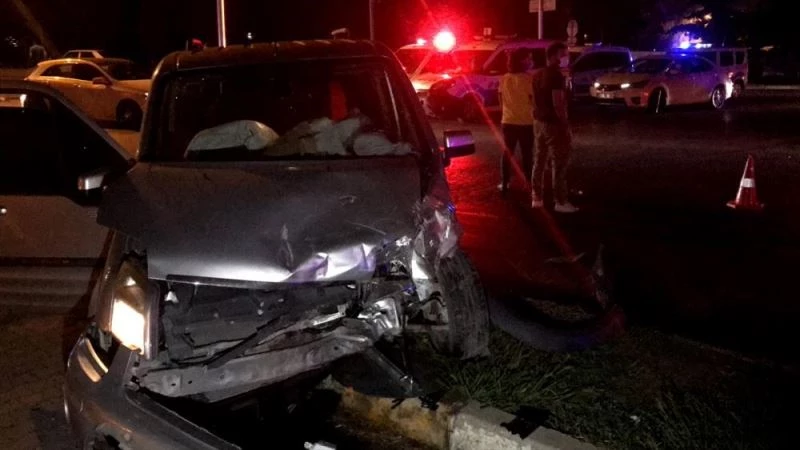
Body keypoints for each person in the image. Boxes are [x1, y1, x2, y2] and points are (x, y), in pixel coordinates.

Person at [530, 41, 578, 213]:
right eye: (563, 54)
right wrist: (564, 124)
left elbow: (533, 99)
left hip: (539, 123)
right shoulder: (555, 75)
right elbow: (558, 102)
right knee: (559, 162)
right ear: (553, 56)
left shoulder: (537, 74)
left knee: (539, 160)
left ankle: (537, 197)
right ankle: (560, 200)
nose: (566, 58)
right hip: (553, 124)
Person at [497, 48, 534, 193]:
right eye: (528, 58)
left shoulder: (504, 78)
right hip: (526, 122)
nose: (531, 61)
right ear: (522, 61)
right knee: (527, 154)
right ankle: (529, 182)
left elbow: (500, 100)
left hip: (508, 121)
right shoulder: (528, 79)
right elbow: (533, 100)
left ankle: (505, 183)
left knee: (508, 153)